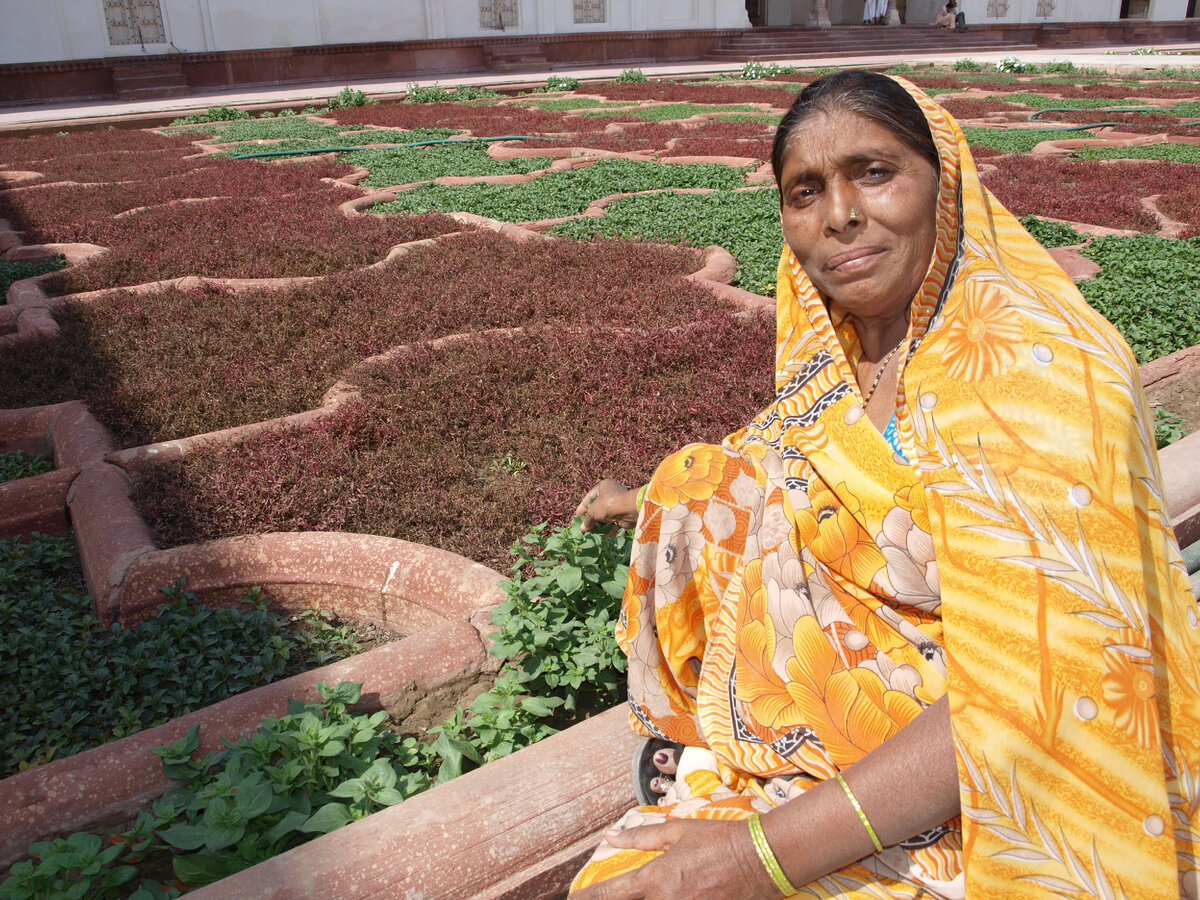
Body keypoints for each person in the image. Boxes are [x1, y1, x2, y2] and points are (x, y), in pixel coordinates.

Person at [569, 70, 1200, 899]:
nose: (839, 216)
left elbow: (1029, 692)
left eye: (874, 171)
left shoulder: (1039, 380)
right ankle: (717, 748)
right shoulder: (845, 356)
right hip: (823, 748)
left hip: (996, 797)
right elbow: (775, 462)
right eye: (806, 190)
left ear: (946, 184)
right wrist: (646, 496)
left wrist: (759, 857)